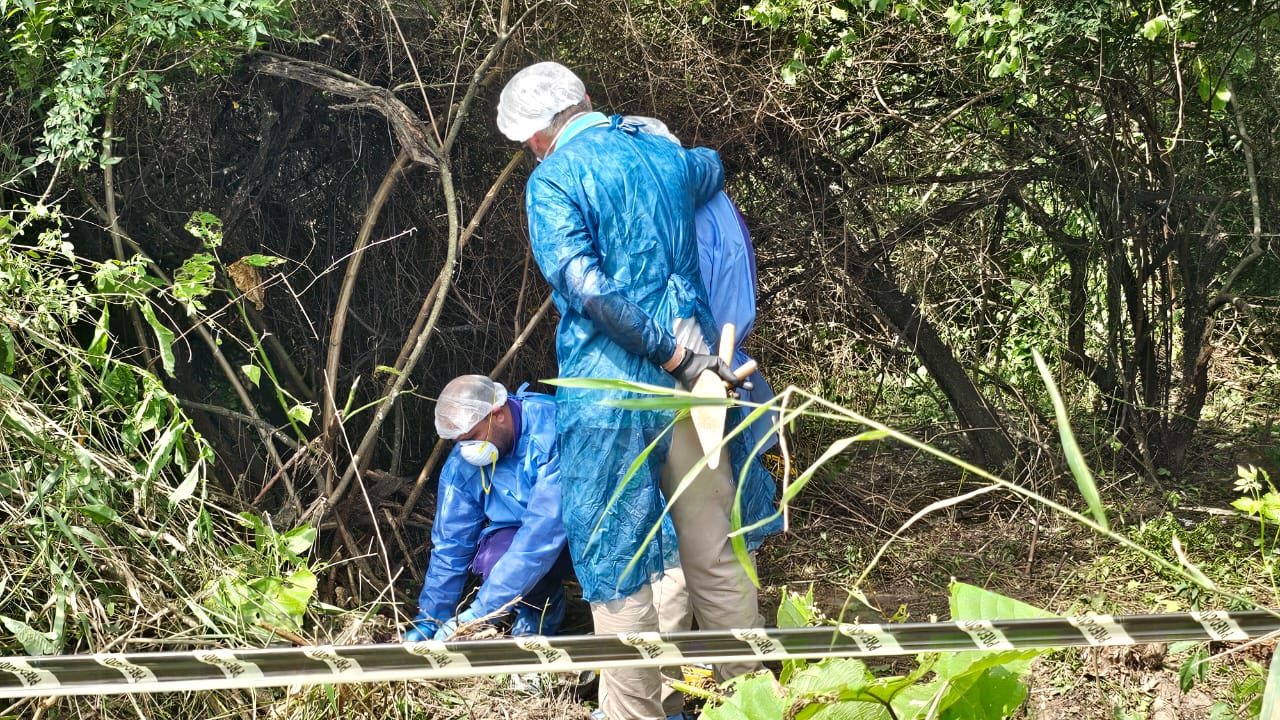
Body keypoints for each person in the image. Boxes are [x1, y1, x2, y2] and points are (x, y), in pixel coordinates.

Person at [496, 62, 783, 720]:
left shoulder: (553, 179)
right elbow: (713, 165)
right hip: (696, 383)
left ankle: (636, 715)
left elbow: (586, 286)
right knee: (715, 552)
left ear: (535, 136)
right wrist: (651, 136)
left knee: (616, 566)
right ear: (587, 100)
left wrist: (665, 352)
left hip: (611, 395)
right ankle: (755, 704)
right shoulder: (665, 157)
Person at [402, 374, 573, 642]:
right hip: (524, 542)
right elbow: (450, 545)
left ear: (498, 413)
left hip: (576, 535)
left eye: (473, 437)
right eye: (460, 442)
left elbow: (540, 535)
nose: (468, 450)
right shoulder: (462, 465)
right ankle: (543, 607)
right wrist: (430, 620)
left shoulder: (554, 429)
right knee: (493, 558)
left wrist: (480, 615)